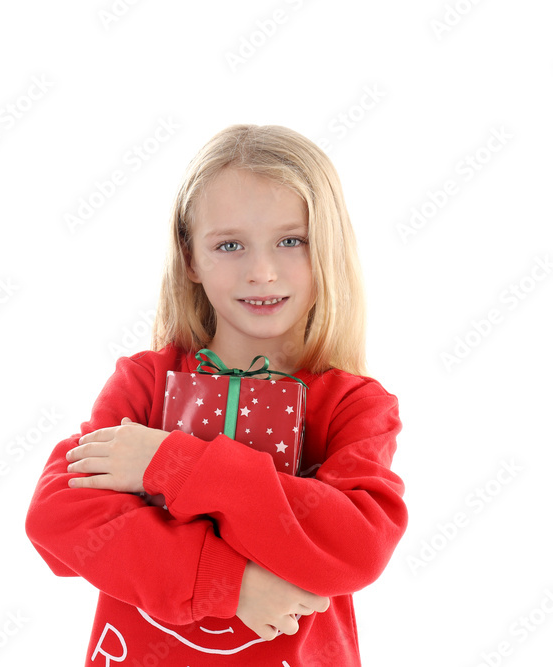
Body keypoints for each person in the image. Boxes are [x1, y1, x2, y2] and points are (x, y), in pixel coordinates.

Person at [24, 124, 407, 665]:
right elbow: (59, 517)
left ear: (328, 247)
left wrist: (168, 463)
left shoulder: (354, 405)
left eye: (291, 241)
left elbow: (355, 547)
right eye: (229, 245)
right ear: (190, 258)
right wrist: (231, 582)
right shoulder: (145, 382)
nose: (261, 272)